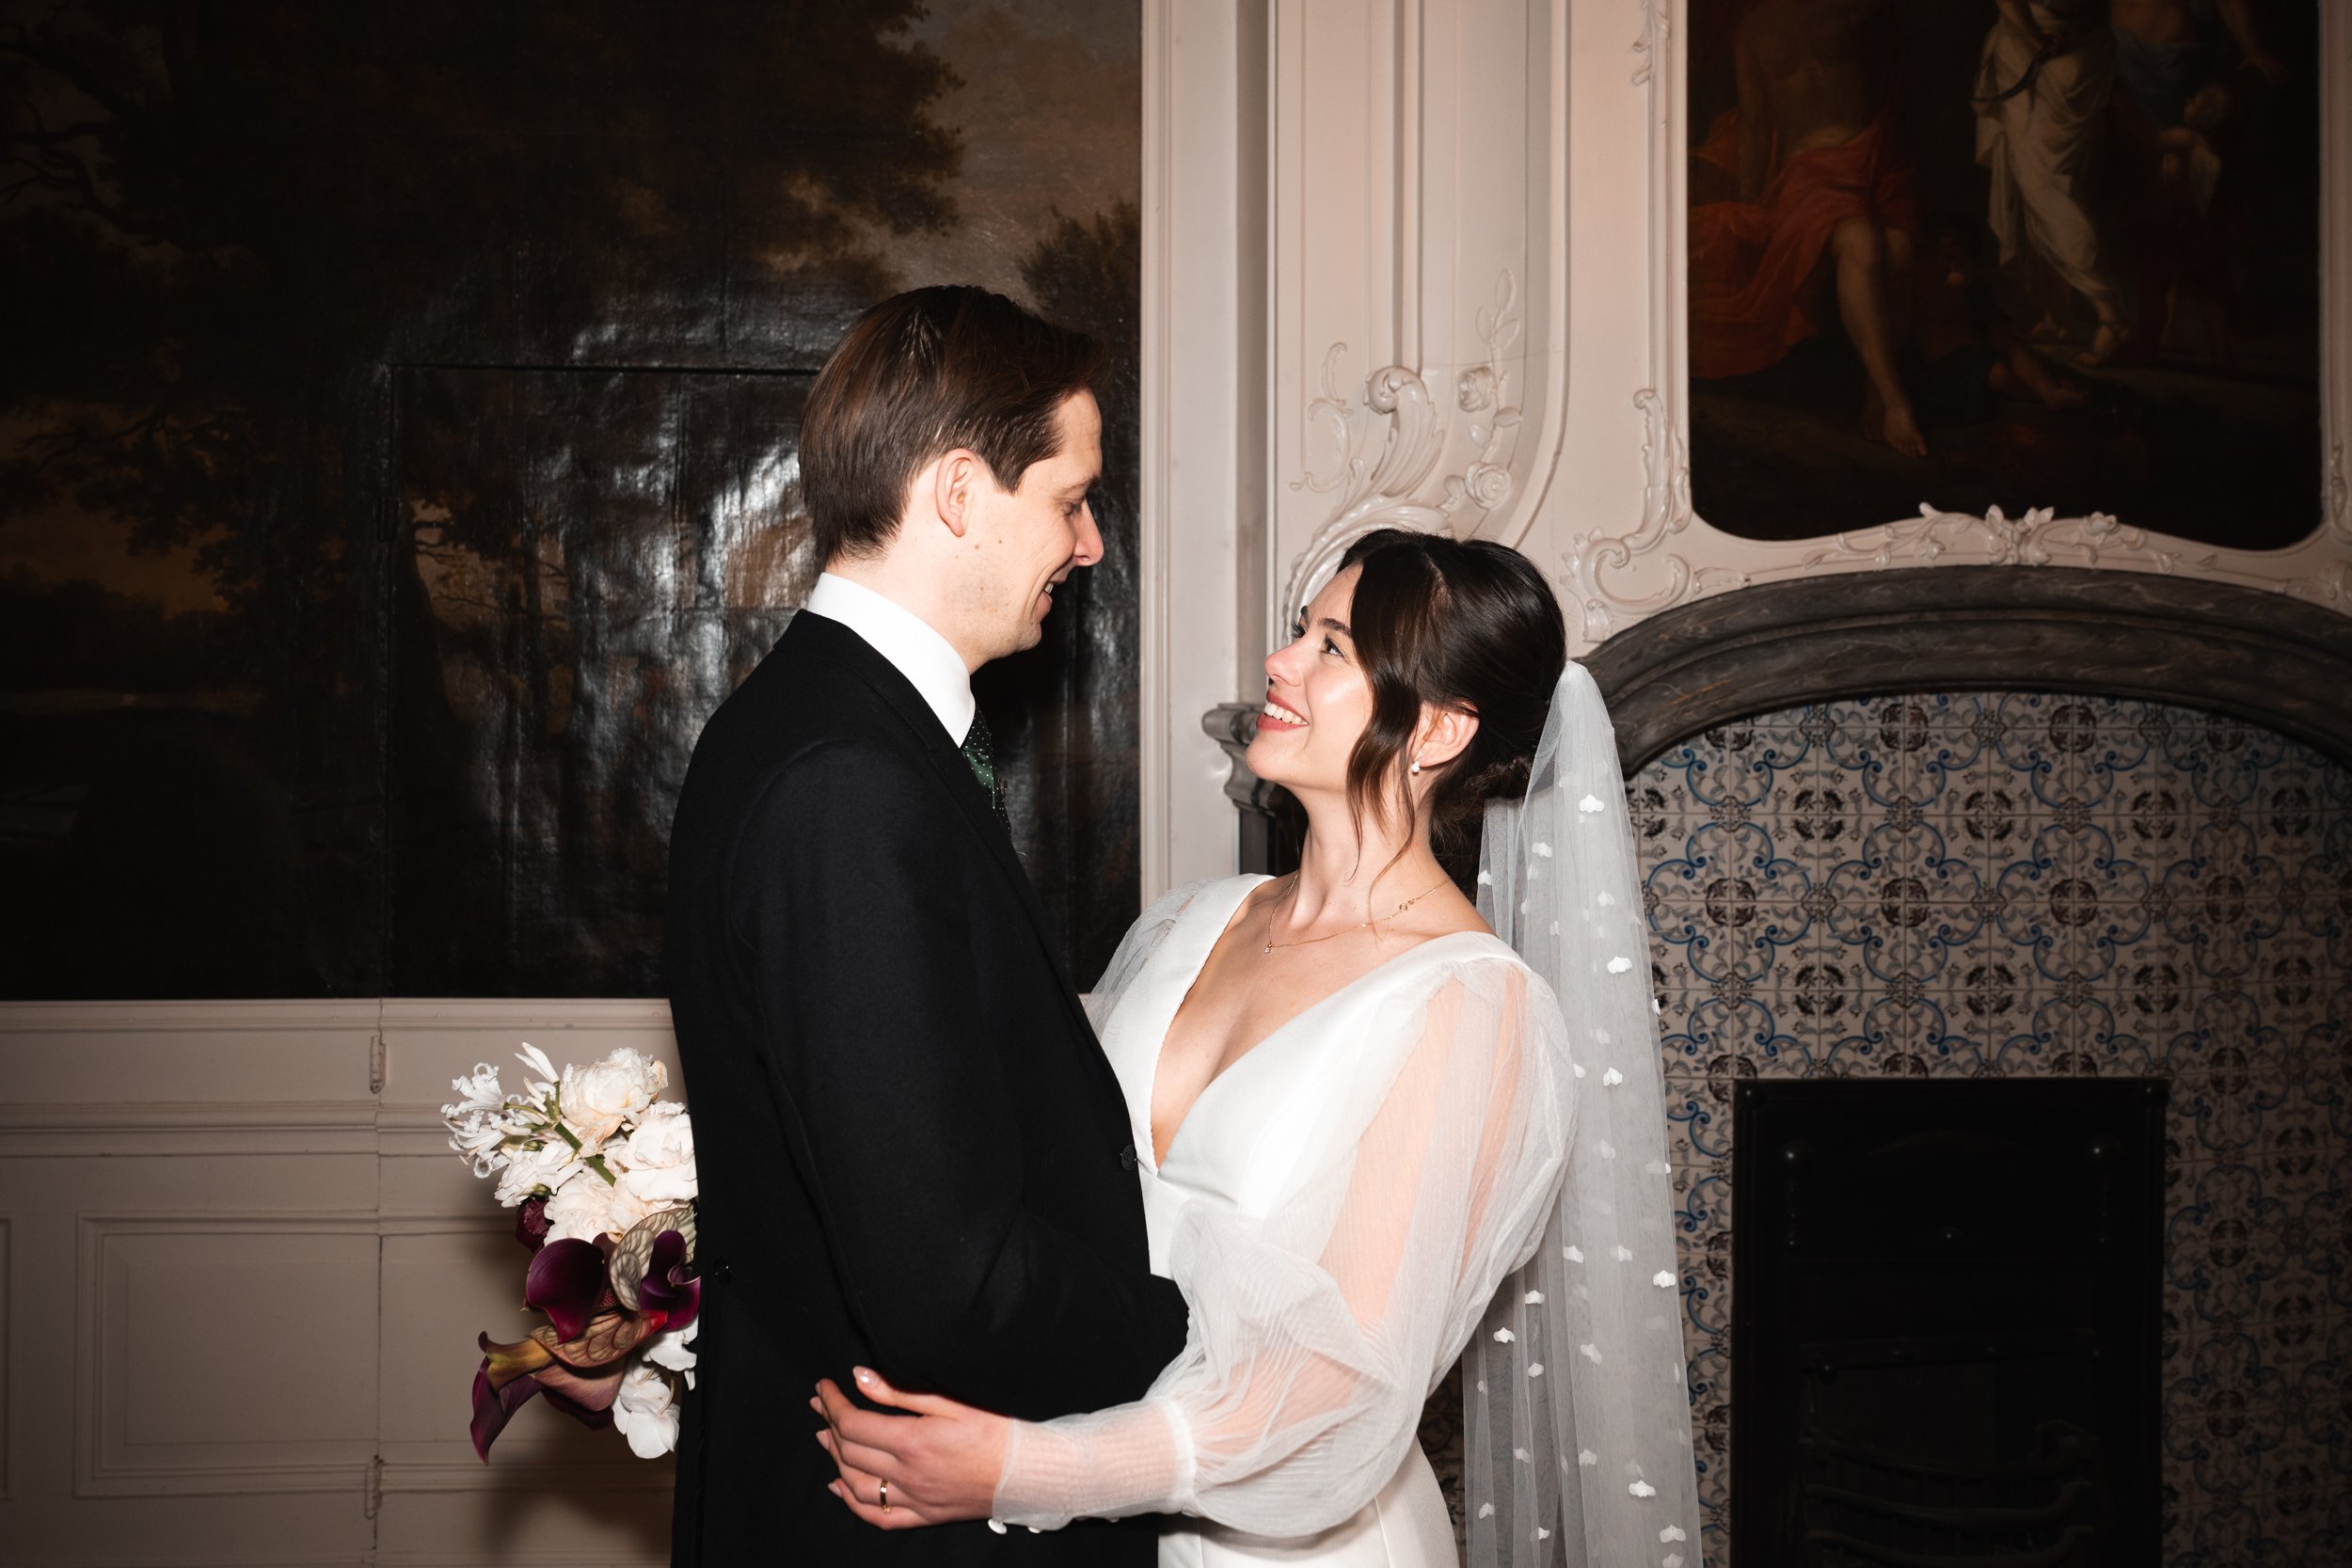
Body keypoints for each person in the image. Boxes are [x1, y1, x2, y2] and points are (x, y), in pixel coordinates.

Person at [813, 530, 1703, 1567]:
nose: (1280, 664)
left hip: (1287, 1543)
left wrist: (1020, 1468)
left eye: (1333, 647)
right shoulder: (1195, 920)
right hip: (1100, 1518)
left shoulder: (1474, 1009)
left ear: (1439, 729)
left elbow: (1339, 1385)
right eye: (1299, 632)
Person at [662, 286, 1191, 1564]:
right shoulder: (848, 776)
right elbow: (944, 1285)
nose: (1089, 545)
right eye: (1070, 499)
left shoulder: (824, 723)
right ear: (960, 491)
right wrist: (1179, 1324)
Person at [1688, 0, 1927, 456]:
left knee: (1898, 248)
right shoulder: (1753, 27)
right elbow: (1757, 123)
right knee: (1863, 243)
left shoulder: (1849, 9)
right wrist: (1755, 202)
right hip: (1807, 170)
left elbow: (1889, 78)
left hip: (1872, 156)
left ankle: (1875, 392)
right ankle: (1897, 404)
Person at [1974, 0, 2135, 368]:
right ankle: (2057, 316)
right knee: (2042, 188)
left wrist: (2033, 37)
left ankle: (2110, 314)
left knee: (2044, 189)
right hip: (2073, 53)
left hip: (2050, 55)